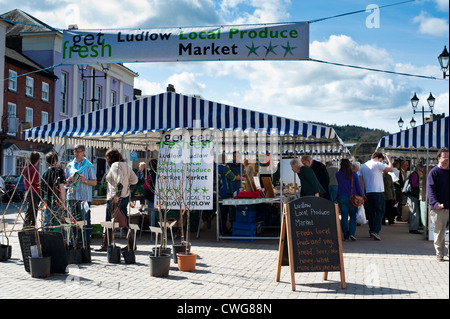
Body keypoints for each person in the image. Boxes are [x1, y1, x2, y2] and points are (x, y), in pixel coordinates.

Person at [96, 148, 138, 252]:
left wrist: (117, 195)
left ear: (109, 158)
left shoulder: (115, 166)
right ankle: (132, 244)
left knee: (109, 220)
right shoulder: (126, 166)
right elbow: (135, 180)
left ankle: (106, 244)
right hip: (124, 198)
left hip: (114, 198)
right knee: (123, 220)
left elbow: (119, 180)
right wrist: (128, 190)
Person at [65, 144, 97, 246]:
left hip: (84, 198)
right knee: (72, 220)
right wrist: (68, 180)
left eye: (78, 151)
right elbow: (65, 182)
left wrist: (85, 180)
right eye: (74, 151)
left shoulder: (89, 166)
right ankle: (73, 241)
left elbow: (95, 182)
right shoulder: (70, 165)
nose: (75, 153)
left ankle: (86, 242)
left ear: (83, 152)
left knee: (85, 220)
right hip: (72, 196)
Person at [359, 152, 393, 240]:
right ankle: (375, 231)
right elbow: (391, 169)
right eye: (381, 160)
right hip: (378, 192)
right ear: (378, 158)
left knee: (371, 213)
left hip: (368, 192)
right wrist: (389, 158)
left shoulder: (363, 166)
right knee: (380, 211)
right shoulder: (377, 164)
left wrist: (362, 194)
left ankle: (371, 231)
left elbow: (361, 182)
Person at [426, 147, 449, 261]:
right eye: (445, 157)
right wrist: (435, 203)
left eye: (449, 157)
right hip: (438, 208)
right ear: (439, 158)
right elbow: (430, 190)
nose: (447, 159)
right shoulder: (434, 172)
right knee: (439, 232)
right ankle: (440, 253)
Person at [336, 159, 364, 241]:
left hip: (341, 197)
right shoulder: (354, 174)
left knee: (344, 217)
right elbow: (358, 186)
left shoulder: (337, 174)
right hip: (353, 198)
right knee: (352, 217)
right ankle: (352, 233)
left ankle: (345, 235)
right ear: (349, 165)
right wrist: (361, 196)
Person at [41, 151, 66, 230]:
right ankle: (58, 239)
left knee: (47, 223)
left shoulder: (45, 173)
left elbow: (42, 188)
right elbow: (62, 187)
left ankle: (46, 239)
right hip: (57, 200)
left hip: (47, 201)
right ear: (56, 160)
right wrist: (63, 201)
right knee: (59, 221)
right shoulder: (59, 172)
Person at [404, 164, 424, 234]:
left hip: (412, 195)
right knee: (415, 212)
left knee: (414, 212)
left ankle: (413, 228)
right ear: (418, 170)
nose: (422, 173)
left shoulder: (414, 174)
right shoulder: (414, 175)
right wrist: (421, 184)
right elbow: (414, 184)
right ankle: (413, 229)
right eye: (422, 171)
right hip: (413, 195)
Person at [23, 152, 41, 228]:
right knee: (33, 210)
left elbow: (26, 180)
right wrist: (41, 182)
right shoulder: (34, 168)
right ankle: (29, 226)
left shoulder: (26, 168)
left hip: (28, 191)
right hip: (34, 191)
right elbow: (35, 181)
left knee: (29, 210)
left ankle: (27, 225)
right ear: (37, 159)